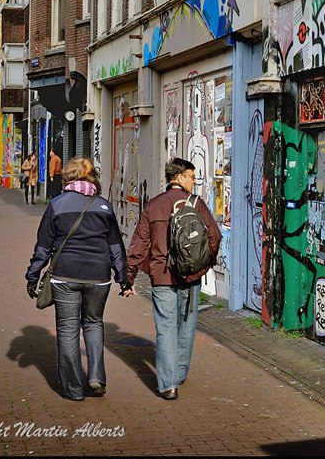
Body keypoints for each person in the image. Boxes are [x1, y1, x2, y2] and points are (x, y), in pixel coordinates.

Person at [25, 157, 127, 401]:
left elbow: (43, 246)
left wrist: (33, 276)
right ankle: (96, 377)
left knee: (68, 329)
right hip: (98, 277)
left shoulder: (57, 204)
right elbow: (115, 246)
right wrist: (123, 278)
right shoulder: (104, 206)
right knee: (93, 324)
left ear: (67, 177)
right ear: (92, 177)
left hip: (64, 275)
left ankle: (73, 389)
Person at [122, 158, 220, 400]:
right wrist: (202, 266)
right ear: (178, 177)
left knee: (165, 328)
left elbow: (139, 243)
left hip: (162, 275)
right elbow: (214, 236)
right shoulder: (196, 204)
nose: (194, 181)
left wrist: (129, 277)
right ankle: (180, 372)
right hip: (191, 276)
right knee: (186, 325)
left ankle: (168, 385)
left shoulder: (153, 205)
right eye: (191, 176)